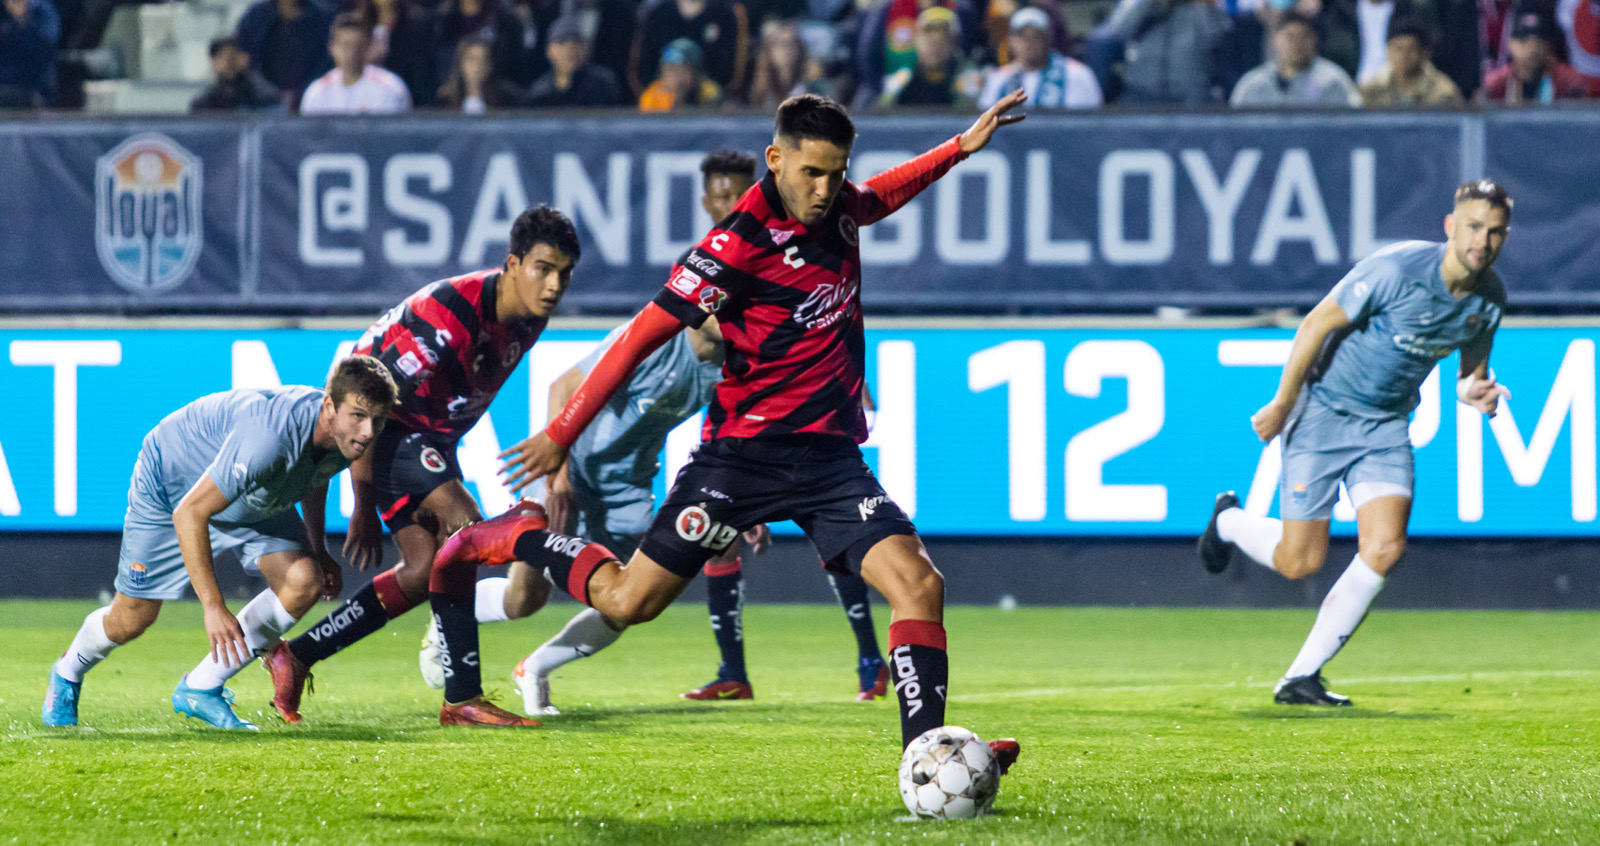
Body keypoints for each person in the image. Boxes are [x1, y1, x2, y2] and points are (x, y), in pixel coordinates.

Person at [451, 93, 1030, 773]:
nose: (827, 189)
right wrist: (561, 431)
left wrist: (957, 147)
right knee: (628, 601)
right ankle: (519, 538)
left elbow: (878, 197)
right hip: (739, 462)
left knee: (920, 585)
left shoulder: (841, 205)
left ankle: (927, 760)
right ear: (776, 159)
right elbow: (639, 337)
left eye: (838, 172)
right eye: (812, 172)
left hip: (829, 462)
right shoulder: (733, 246)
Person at [433, 151, 888, 715]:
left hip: (627, 485)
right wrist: (562, 470)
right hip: (564, 468)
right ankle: (446, 616)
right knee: (524, 597)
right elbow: (561, 387)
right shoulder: (655, 338)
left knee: (629, 599)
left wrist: (749, 503)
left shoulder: (737, 363)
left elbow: (737, 438)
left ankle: (538, 667)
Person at [263, 206, 582, 729]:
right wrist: (363, 503)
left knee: (420, 572)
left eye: (564, 274)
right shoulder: (448, 319)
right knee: (466, 524)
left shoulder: (530, 316)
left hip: (431, 436)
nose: (554, 285)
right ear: (512, 263)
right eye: (543, 268)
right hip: (387, 429)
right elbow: (365, 402)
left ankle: (296, 656)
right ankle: (463, 698)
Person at [1198, 180, 1512, 707]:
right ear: (1451, 227)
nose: (1483, 241)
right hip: (1323, 411)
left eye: (1496, 231)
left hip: (1385, 426)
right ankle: (1227, 521)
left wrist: (1473, 391)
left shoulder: (1489, 300)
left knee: (1385, 547)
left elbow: (1467, 374)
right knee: (1300, 560)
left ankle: (1300, 678)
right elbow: (1318, 322)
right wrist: (1282, 401)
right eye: (1475, 227)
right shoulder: (1396, 270)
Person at [41, 358, 397, 729]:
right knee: (132, 619)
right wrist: (212, 607)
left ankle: (201, 688)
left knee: (305, 580)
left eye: (378, 419)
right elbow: (190, 513)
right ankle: (68, 672)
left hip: (252, 493)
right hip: (175, 484)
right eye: (358, 415)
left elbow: (315, 475)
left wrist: (318, 549)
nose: (368, 430)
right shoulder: (269, 440)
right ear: (329, 407)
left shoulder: (349, 435)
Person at [1104, 0, 1232, 104]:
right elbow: (1117, 31)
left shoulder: (1203, 6)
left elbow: (1217, 37)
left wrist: (1205, 7)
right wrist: (1149, 4)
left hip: (1190, 94)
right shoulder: (1135, 3)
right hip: (1142, 90)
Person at [978, 7, 1102, 109]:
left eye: (1036, 35)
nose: (1029, 42)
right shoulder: (999, 79)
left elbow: (1090, 126)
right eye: (1022, 35)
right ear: (1011, 42)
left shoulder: (1077, 74)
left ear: (1048, 39)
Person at [1230, 11, 1361, 106]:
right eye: (1290, 37)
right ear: (1276, 40)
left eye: (1304, 37)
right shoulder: (1254, 85)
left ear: (1314, 40)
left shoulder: (1333, 82)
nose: (1297, 44)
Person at [630, 0, 749, 97]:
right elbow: (642, 70)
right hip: (660, 104)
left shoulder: (725, 14)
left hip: (711, 106)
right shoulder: (656, 14)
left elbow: (732, 73)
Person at [300, 13, 413, 114]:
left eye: (358, 46)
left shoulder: (390, 88)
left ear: (369, 47)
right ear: (332, 48)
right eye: (345, 45)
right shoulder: (317, 92)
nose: (351, 53)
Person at [235, 0, 335, 110]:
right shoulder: (255, 16)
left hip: (315, 104)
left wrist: (299, 95)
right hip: (258, 105)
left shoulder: (324, 17)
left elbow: (328, 63)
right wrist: (275, 95)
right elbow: (245, 62)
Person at [879, 7, 984, 108]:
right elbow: (882, 116)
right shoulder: (900, 83)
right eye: (929, 40)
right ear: (916, 41)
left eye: (942, 40)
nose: (935, 47)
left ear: (954, 43)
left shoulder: (968, 81)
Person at [1480, 10, 1591, 104]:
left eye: (1537, 42)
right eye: (1523, 42)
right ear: (1511, 45)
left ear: (1548, 46)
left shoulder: (1570, 83)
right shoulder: (1495, 86)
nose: (1531, 50)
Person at [1357, 16, 1463, 106]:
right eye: (1398, 48)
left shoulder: (1443, 92)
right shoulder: (1371, 90)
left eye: (1411, 49)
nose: (1404, 55)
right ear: (1388, 51)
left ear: (1423, 53)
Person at [525, 17, 625, 108]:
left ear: (586, 47)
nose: (570, 48)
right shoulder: (539, 93)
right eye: (562, 42)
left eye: (576, 41)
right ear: (549, 51)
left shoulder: (604, 85)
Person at [355, 0, 439, 108]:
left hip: (402, 104)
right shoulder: (355, 27)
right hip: (360, 101)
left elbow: (421, 79)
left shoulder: (416, 28)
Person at [191, 35, 284, 112]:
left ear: (244, 58)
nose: (230, 62)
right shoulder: (202, 105)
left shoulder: (262, 96)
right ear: (214, 62)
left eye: (234, 56)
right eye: (223, 57)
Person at [436, 36, 523, 111]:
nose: (478, 66)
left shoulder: (505, 99)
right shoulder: (444, 101)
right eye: (472, 60)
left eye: (484, 60)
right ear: (461, 64)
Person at [0, 0, 58, 108]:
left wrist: (22, 21)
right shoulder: (3, 13)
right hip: (5, 81)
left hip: (34, 86)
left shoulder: (42, 11)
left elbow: (45, 48)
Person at [639, 38, 724, 111]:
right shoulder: (652, 96)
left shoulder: (709, 92)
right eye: (671, 69)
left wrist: (682, 99)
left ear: (696, 73)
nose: (676, 76)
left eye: (683, 70)